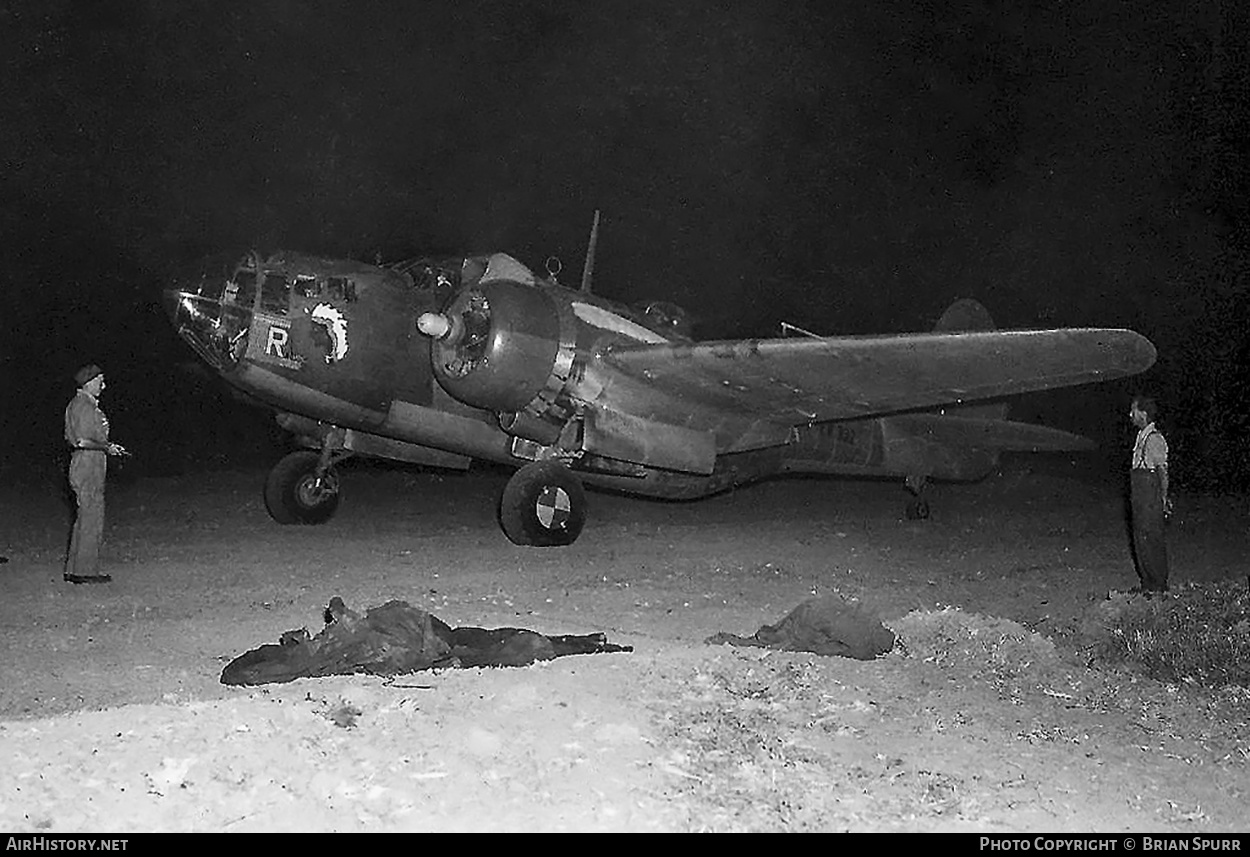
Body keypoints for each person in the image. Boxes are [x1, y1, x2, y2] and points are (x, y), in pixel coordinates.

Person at [63, 364, 126, 584]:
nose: (103, 385)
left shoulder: (79, 404)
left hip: (86, 462)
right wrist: (106, 447)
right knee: (92, 515)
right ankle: (86, 571)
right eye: (100, 381)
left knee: (85, 516)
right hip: (87, 463)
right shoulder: (84, 407)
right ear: (89, 382)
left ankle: (75, 569)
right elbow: (81, 440)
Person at [1128, 395, 1170, 593]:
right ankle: (1148, 584)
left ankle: (1159, 586)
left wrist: (1162, 499)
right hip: (1140, 496)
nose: (1131, 415)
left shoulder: (1154, 439)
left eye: (1134, 411)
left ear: (1143, 414)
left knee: (1152, 539)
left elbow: (1162, 472)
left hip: (1150, 496)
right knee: (1141, 539)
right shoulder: (1141, 437)